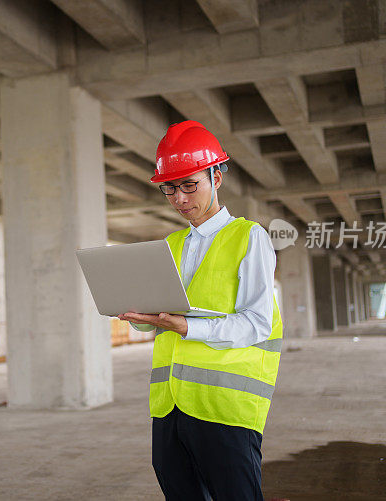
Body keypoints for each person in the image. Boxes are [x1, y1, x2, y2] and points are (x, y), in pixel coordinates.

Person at [118, 120, 282, 501]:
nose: (179, 198)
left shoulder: (248, 237)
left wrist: (190, 328)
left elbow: (258, 323)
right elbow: (165, 318)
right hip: (170, 405)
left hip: (224, 407)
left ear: (217, 177)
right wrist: (141, 318)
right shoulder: (170, 244)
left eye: (190, 185)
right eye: (169, 188)